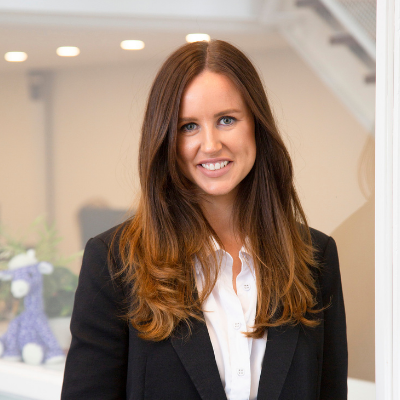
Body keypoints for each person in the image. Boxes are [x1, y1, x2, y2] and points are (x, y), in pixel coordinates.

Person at [61, 40, 347, 400]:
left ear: (256, 126)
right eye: (188, 127)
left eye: (227, 120)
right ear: (164, 139)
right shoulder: (115, 262)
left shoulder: (315, 257)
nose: (210, 145)